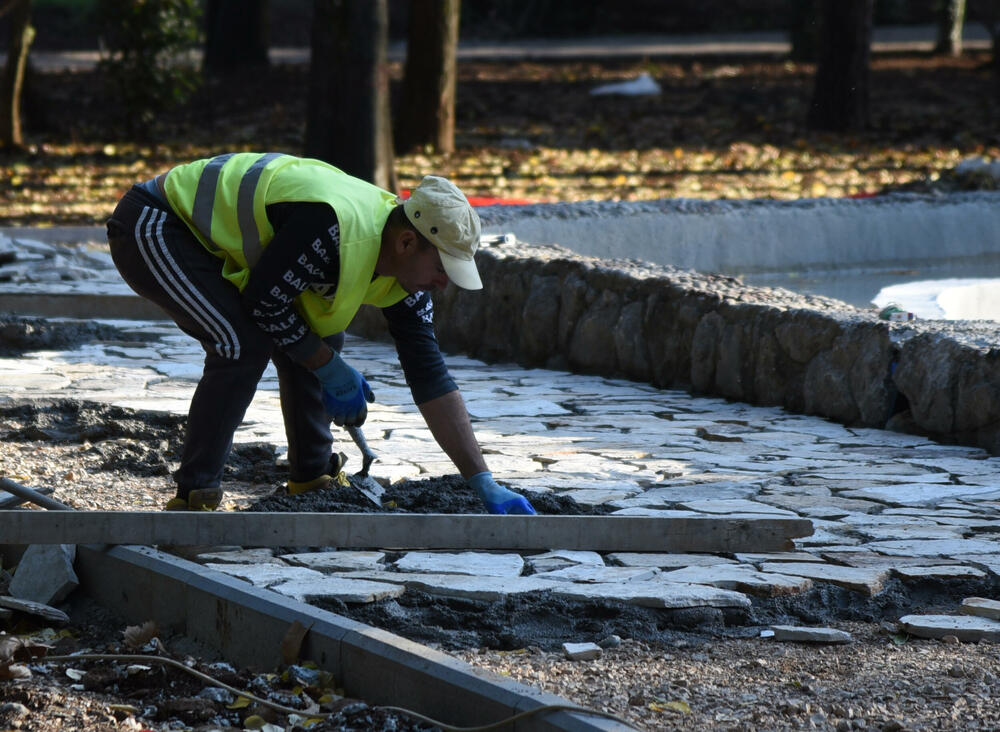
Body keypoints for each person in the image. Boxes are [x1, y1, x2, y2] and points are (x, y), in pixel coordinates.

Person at [105, 152, 536, 516]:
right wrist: (330, 369)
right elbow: (264, 304)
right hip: (157, 224)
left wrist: (482, 482)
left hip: (218, 247)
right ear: (407, 243)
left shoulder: (406, 276)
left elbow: (430, 377)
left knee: (319, 339)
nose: (444, 284)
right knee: (242, 344)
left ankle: (312, 481)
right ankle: (195, 499)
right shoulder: (330, 226)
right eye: (442, 269)